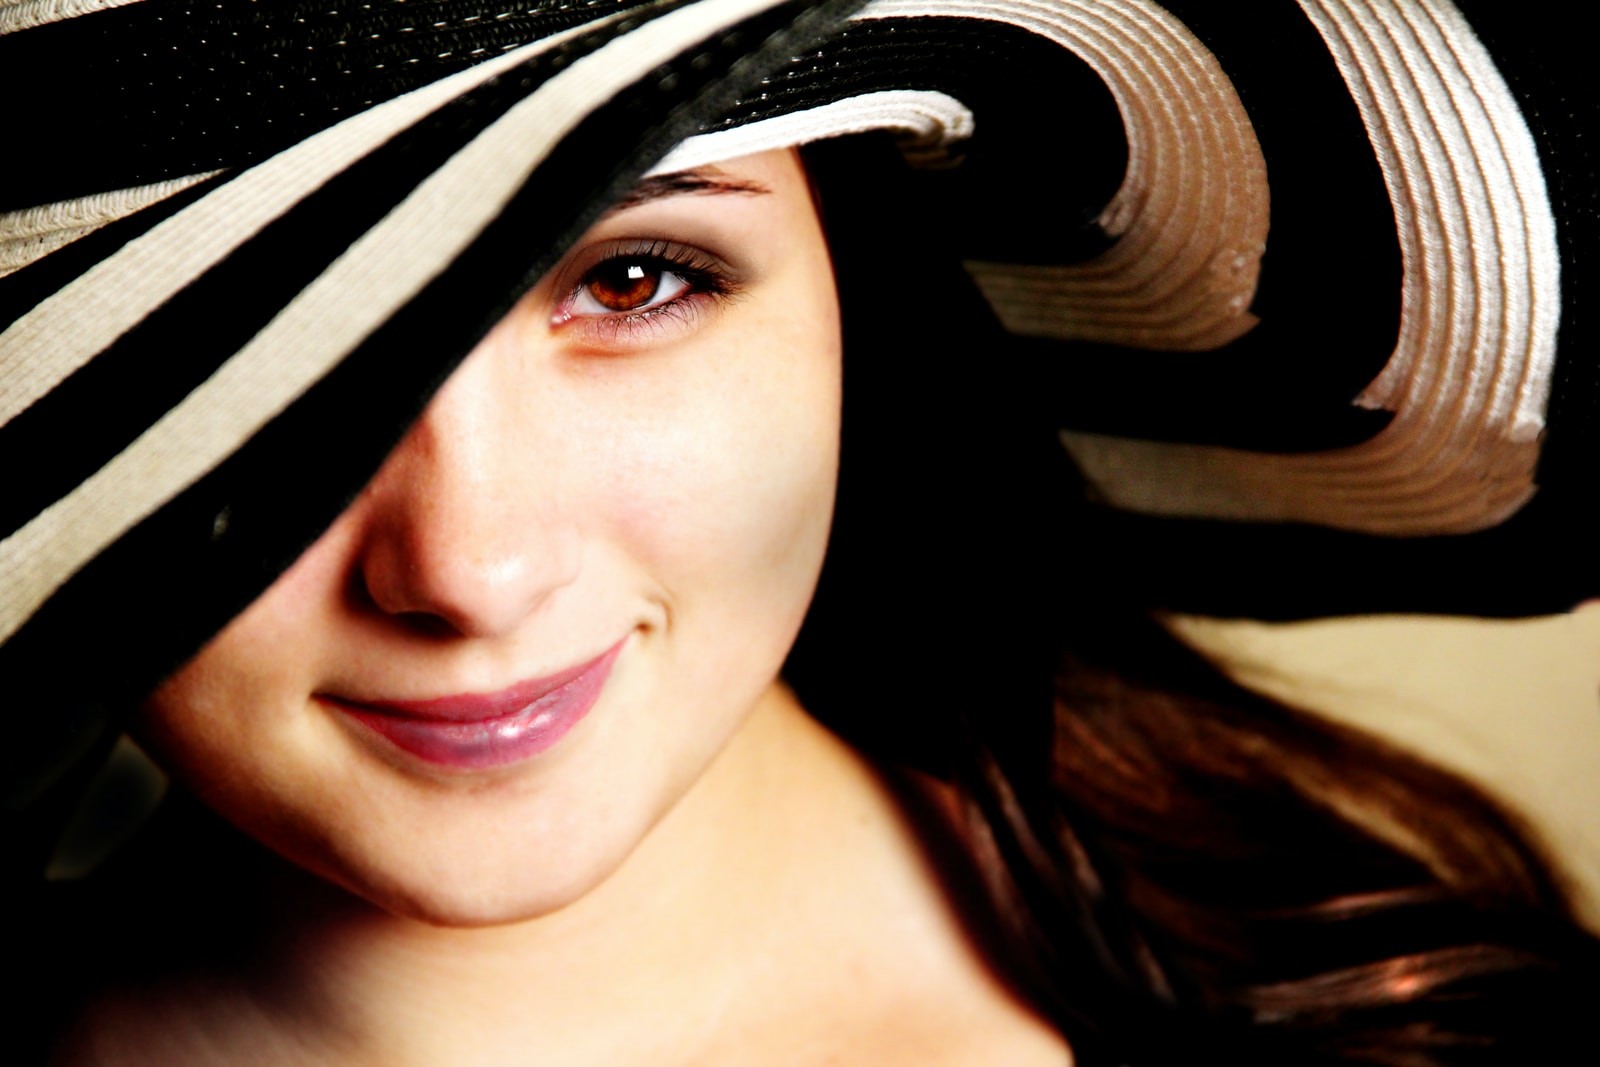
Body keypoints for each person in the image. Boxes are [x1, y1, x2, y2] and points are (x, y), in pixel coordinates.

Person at [3, 0, 1598, 1063]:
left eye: (632, 280)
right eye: (260, 360)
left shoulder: (1395, 1023)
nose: (469, 571)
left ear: (854, 284)